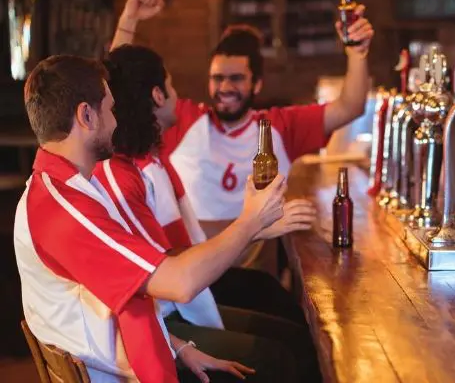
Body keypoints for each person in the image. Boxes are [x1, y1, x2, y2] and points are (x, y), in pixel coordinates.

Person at [14, 54, 300, 382]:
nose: (116, 121)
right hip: (119, 375)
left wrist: (176, 346)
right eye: (110, 109)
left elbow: (108, 301)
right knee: (278, 361)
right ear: (86, 115)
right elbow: (178, 283)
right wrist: (252, 220)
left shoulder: (66, 188)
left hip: (128, 357)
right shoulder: (63, 208)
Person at [111, 0, 374, 238]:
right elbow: (121, 93)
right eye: (217, 78)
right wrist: (129, 20)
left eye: (236, 78)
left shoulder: (277, 127)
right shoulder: (182, 118)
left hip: (252, 268)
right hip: (194, 259)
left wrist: (357, 53)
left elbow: (350, 107)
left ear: (256, 84)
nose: (225, 87)